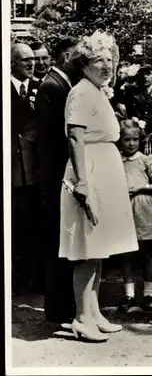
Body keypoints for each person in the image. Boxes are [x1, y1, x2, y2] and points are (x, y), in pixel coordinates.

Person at [59, 30, 138, 342]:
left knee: (99, 249)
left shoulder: (97, 91)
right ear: (84, 64)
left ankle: (94, 313)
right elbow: (75, 138)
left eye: (110, 59)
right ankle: (81, 318)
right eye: (98, 60)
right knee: (86, 248)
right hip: (89, 171)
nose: (106, 65)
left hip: (105, 170)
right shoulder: (80, 92)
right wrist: (82, 182)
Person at [35, 37, 79, 322]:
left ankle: (63, 304)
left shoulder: (59, 84)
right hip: (55, 176)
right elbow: (56, 139)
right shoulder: (52, 87)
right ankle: (58, 307)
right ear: (66, 56)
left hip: (57, 174)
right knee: (57, 240)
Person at [118, 119, 152, 313]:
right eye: (126, 139)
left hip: (143, 210)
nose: (131, 143)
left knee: (147, 254)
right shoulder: (115, 161)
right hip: (123, 210)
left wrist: (140, 188)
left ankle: (149, 294)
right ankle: (129, 295)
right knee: (127, 256)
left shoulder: (146, 160)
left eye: (135, 139)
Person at [11, 43, 41, 294]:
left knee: (34, 224)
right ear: (12, 62)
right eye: (25, 61)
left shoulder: (39, 88)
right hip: (12, 169)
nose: (32, 64)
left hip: (35, 169)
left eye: (33, 60)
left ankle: (33, 278)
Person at [123, 57, 152, 134]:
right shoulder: (130, 93)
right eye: (141, 74)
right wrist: (126, 76)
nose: (145, 77)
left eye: (148, 74)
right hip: (135, 138)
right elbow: (116, 94)